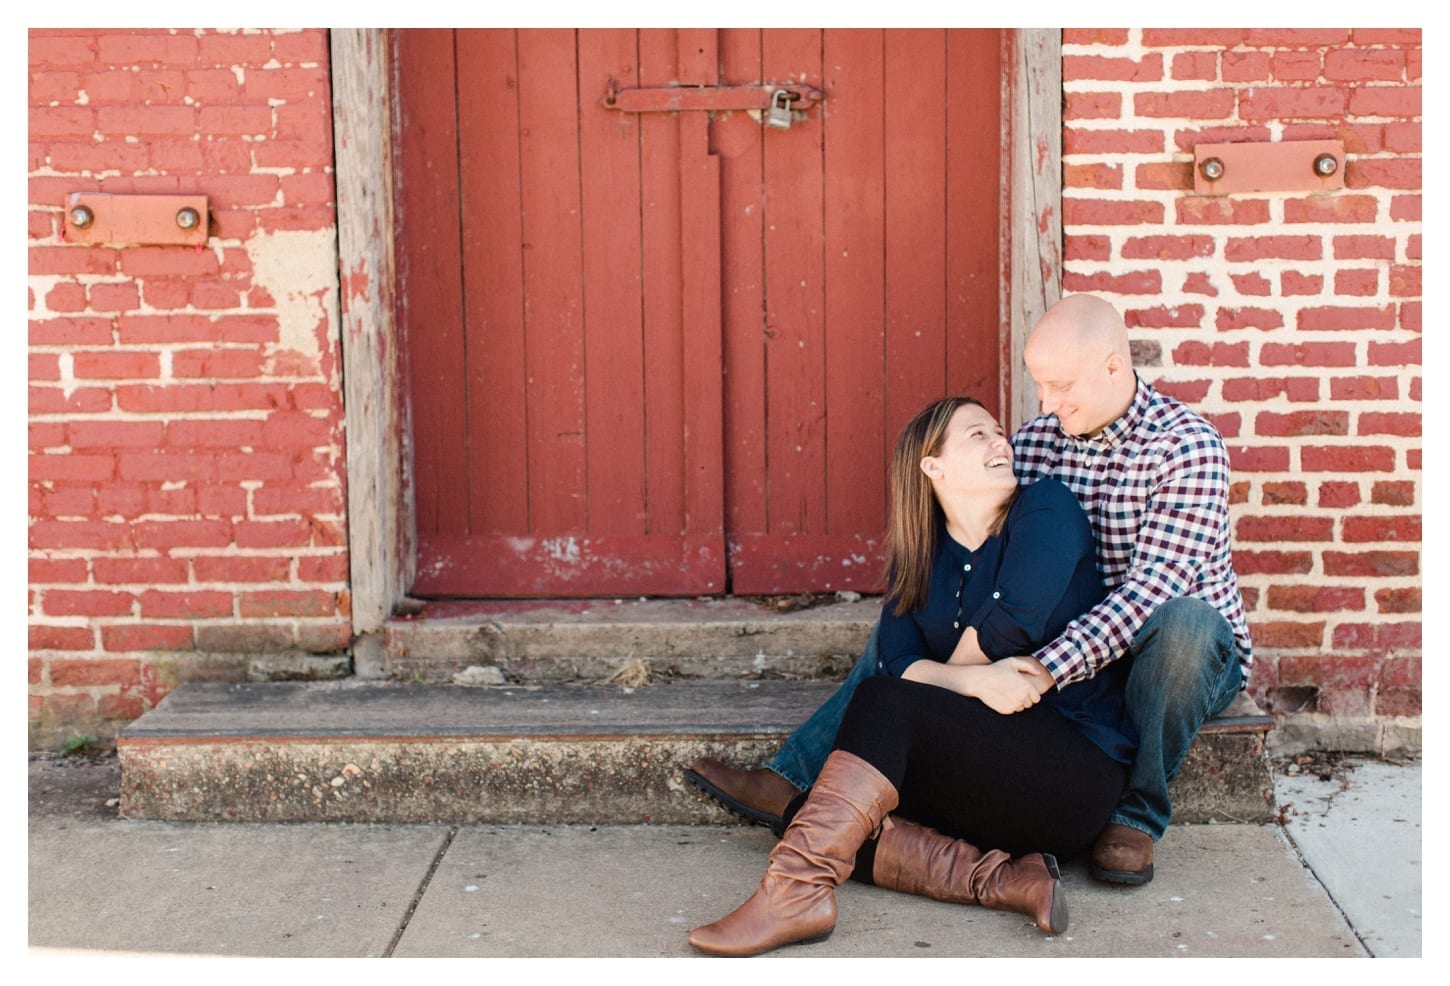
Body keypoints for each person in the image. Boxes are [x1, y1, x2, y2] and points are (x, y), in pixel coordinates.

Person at [686, 293, 1252, 887]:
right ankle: (799, 774)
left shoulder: (1187, 446)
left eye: (1061, 386)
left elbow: (1150, 593)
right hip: (1079, 645)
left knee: (1183, 624)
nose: (1046, 405)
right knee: (906, 612)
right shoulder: (1036, 444)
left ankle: (1137, 816)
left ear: (1114, 367)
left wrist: (1040, 669)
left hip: (1177, 654)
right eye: (1040, 386)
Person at [687, 396, 1136, 956]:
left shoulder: (1046, 508)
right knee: (814, 813)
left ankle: (794, 895)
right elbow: (898, 658)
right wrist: (975, 684)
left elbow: (1008, 627)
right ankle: (1006, 881)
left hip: (1069, 772)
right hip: (976, 779)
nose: (1002, 443)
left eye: (1000, 433)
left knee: (882, 709)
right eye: (979, 435)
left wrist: (940, 679)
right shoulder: (920, 557)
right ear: (933, 466)